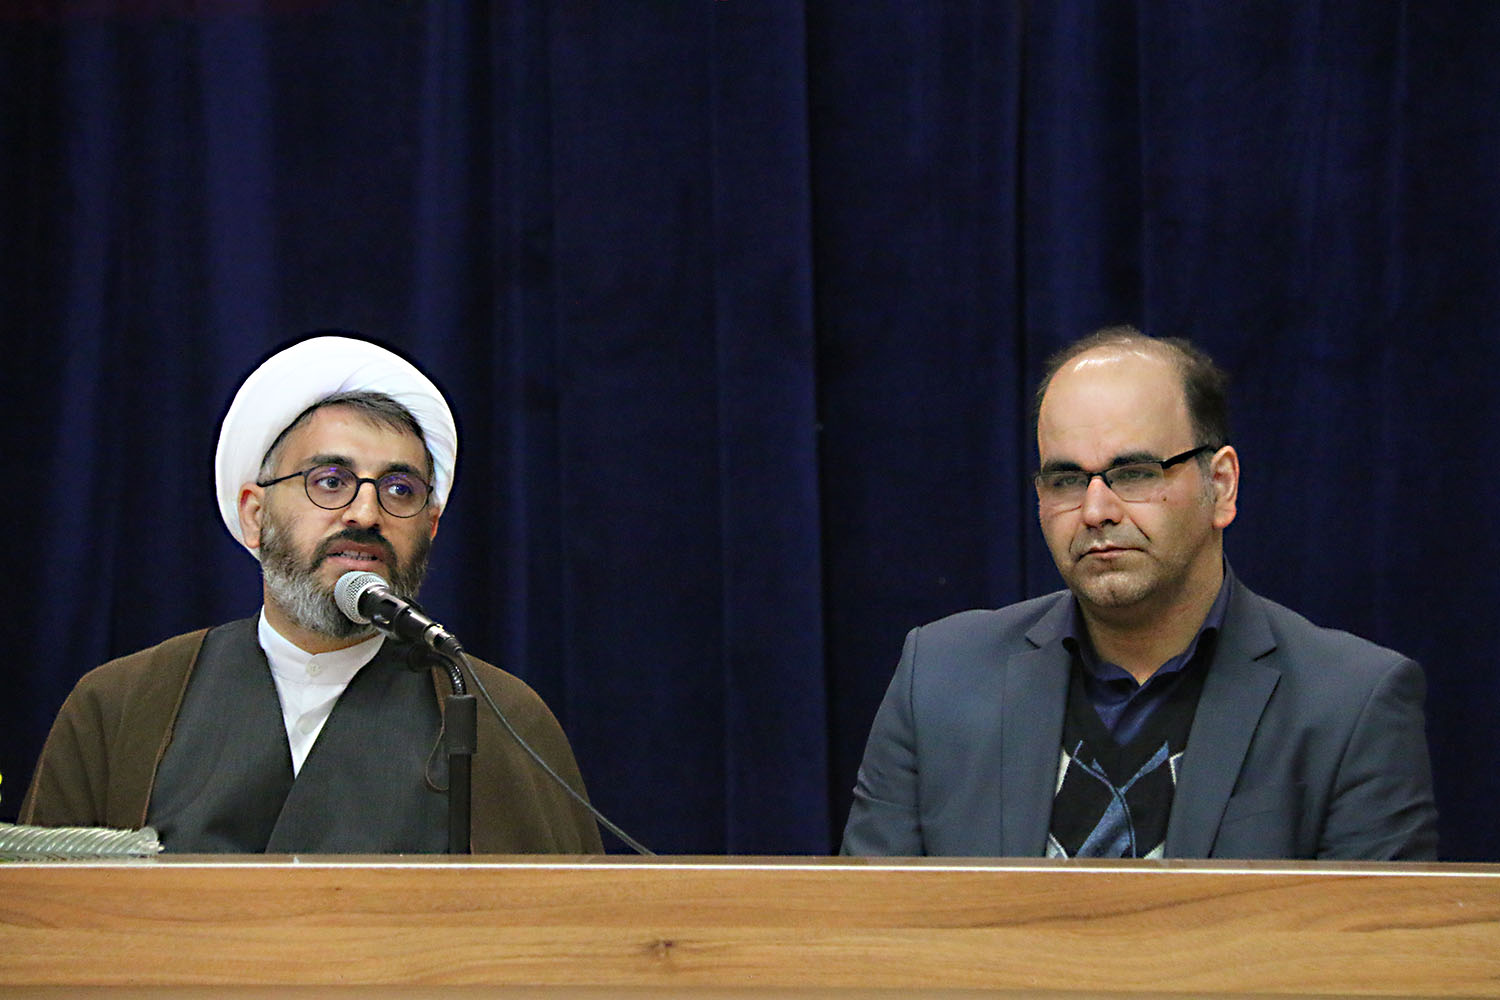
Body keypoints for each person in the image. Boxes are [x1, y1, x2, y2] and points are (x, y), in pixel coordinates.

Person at [841, 327, 1438, 859]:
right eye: (1066, 479)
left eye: (1134, 474)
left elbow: (1369, 944)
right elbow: (864, 933)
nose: (1096, 510)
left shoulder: (1350, 705)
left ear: (1221, 486)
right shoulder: (938, 678)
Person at [21, 334, 604, 853]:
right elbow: (40, 922)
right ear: (255, 515)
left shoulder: (501, 717)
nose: (366, 513)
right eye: (330, 481)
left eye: (400, 489)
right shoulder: (121, 705)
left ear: (430, 528)